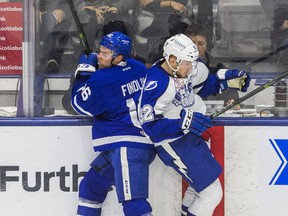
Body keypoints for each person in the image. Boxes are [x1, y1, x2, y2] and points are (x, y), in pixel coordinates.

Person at [138, 34, 251, 216]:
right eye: (187, 63)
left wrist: (228, 82)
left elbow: (201, 85)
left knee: (196, 190)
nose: (191, 67)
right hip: (173, 143)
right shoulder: (157, 84)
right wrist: (183, 122)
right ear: (172, 60)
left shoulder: (181, 68)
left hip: (189, 136)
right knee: (212, 193)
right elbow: (149, 125)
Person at [70, 31, 155, 216]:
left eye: (105, 53)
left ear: (118, 57)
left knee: (134, 203)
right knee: (91, 187)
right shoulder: (138, 67)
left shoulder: (104, 79)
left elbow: (79, 104)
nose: (99, 56)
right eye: (99, 51)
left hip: (128, 145)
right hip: (131, 143)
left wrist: (84, 74)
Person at [184, 22, 241, 109]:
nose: (195, 47)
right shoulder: (173, 67)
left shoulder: (218, 67)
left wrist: (233, 102)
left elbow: (231, 95)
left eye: (200, 44)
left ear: (208, 46)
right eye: (192, 43)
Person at [38, 0, 72, 73]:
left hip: (58, 14)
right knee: (50, 19)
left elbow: (68, 4)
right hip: (34, 16)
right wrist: (34, 12)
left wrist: (61, 10)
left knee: (51, 18)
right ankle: (51, 60)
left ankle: (50, 60)